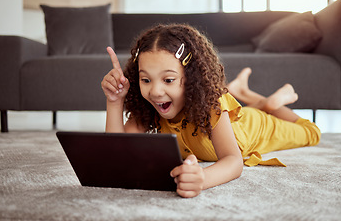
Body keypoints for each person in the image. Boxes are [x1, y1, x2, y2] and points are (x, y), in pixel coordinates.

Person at [101, 23, 321, 198]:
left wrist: (202, 179)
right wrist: (114, 101)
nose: (156, 91)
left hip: (255, 128)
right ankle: (249, 95)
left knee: (311, 132)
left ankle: (271, 104)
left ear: (191, 78)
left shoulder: (211, 104)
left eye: (168, 79)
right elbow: (118, 153)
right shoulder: (150, 110)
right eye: (145, 79)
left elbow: (233, 161)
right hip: (235, 118)